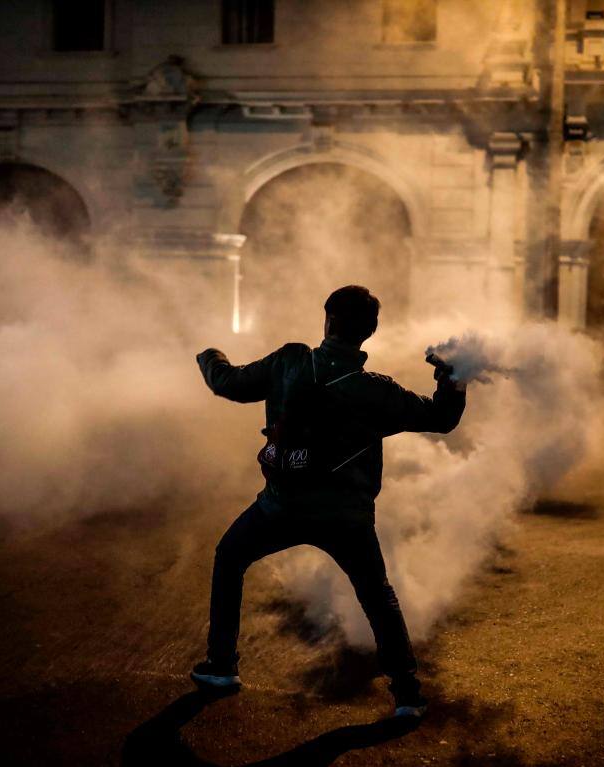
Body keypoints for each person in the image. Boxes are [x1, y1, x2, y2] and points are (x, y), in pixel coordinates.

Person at [191, 285, 466, 718]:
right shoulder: (376, 391)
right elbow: (442, 418)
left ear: (329, 320)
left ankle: (222, 666)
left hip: (280, 506)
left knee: (230, 557)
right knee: (377, 596)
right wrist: (453, 375)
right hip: (346, 518)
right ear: (370, 331)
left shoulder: (289, 362)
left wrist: (210, 355)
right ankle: (407, 694)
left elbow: (228, 384)